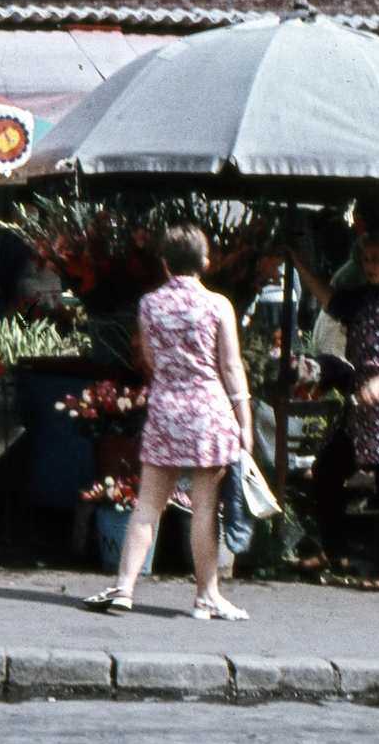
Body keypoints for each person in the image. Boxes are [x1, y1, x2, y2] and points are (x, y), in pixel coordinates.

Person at [83, 225, 252, 621]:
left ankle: (124, 588)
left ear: (164, 262)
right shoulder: (218, 305)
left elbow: (153, 361)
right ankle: (206, 596)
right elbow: (230, 365)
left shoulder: (149, 305)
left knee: (147, 506)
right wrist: (243, 419)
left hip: (166, 409)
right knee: (205, 508)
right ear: (206, 263)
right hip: (209, 410)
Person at [292, 230, 379, 593]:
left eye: (378, 258)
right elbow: (332, 299)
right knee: (327, 469)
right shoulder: (366, 297)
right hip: (364, 402)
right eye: (366, 259)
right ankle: (334, 551)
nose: (370, 266)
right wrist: (296, 262)